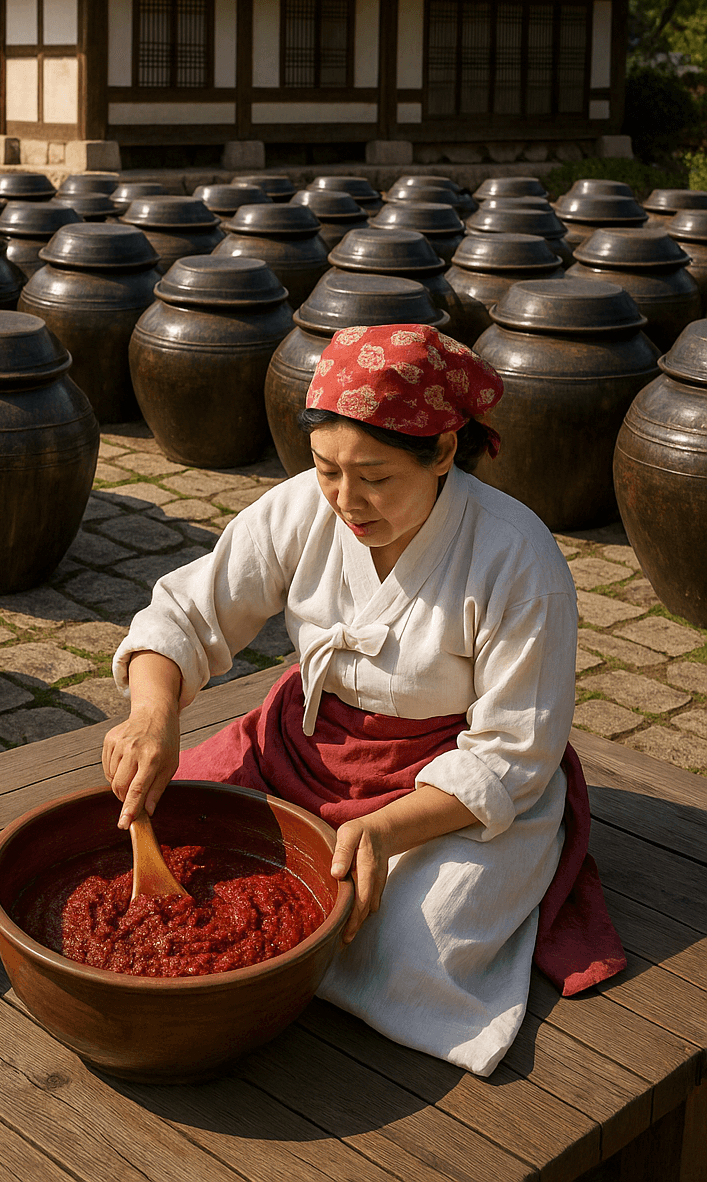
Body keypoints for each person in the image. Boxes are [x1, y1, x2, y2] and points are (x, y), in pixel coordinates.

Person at [103, 323, 624, 1077]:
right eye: (327, 469)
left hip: (438, 790)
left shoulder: (517, 556)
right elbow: (187, 613)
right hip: (302, 748)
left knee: (404, 941)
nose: (348, 500)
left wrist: (386, 829)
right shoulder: (300, 509)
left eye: (376, 477)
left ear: (443, 451)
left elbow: (516, 749)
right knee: (179, 840)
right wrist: (153, 715)